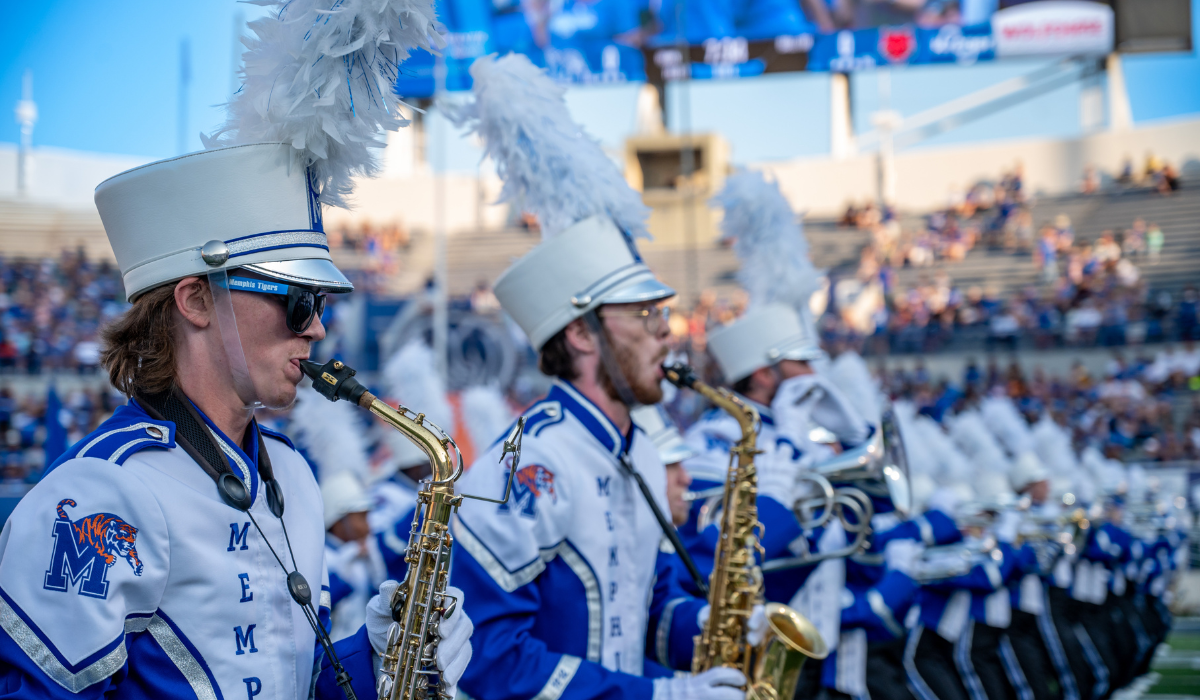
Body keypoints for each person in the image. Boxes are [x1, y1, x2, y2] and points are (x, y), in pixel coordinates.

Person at [446, 54, 752, 700]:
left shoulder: (636, 443)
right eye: (643, 314)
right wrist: (657, 697)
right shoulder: (531, 459)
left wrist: (711, 626)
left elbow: (647, 603)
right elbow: (483, 657)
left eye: (661, 312)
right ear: (581, 334)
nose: (664, 329)